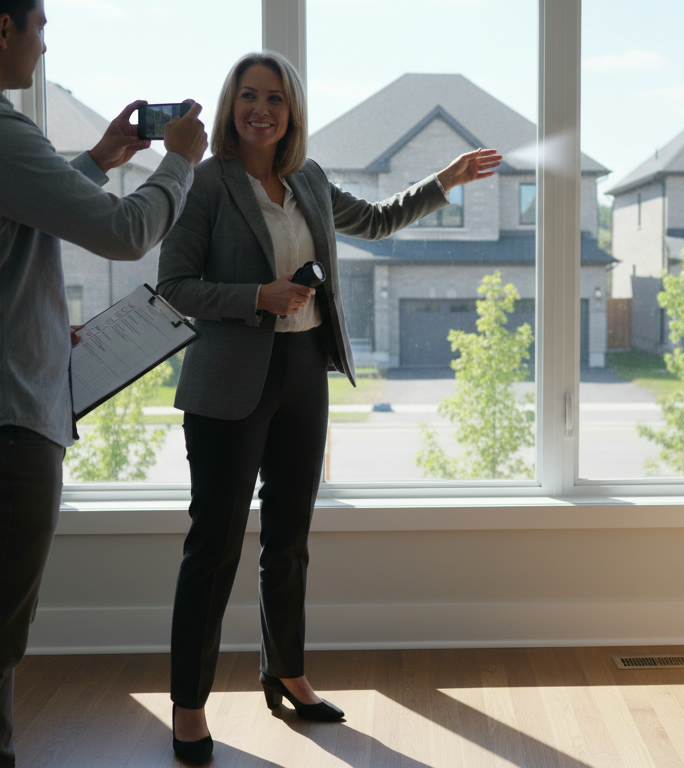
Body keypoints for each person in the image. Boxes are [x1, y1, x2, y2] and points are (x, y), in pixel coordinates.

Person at [0, 1, 208, 765]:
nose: (44, 42)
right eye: (41, 25)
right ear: (2, 28)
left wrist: (96, 161)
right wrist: (178, 161)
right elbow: (124, 234)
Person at [156, 51, 499, 762]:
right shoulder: (207, 183)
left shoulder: (306, 178)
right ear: (230, 106)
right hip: (227, 383)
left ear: (292, 110)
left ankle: (287, 674)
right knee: (213, 549)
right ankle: (188, 706)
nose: (262, 110)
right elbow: (177, 285)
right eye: (249, 96)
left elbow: (374, 221)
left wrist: (446, 181)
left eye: (275, 98)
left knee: (290, 538)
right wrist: (257, 296)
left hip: (304, 369)